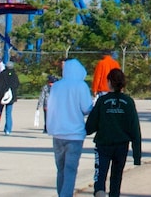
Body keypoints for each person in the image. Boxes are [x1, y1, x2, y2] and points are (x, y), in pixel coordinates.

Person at [86, 68, 142, 197]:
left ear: (109, 82)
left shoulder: (102, 101)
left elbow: (91, 125)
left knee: (100, 175)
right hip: (121, 145)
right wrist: (137, 155)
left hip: (103, 144)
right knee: (116, 178)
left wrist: (84, 130)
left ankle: (99, 192)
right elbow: (134, 129)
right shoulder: (128, 102)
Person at [47, 58, 94, 197]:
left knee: (60, 169)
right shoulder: (81, 86)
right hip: (74, 134)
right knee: (71, 170)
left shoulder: (56, 86)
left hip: (57, 132)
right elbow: (86, 108)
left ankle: (61, 193)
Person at [0, 60, 21, 135]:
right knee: (8, 114)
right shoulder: (14, 76)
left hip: (0, 96)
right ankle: (8, 130)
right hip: (10, 98)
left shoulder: (1, 75)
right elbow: (17, 85)